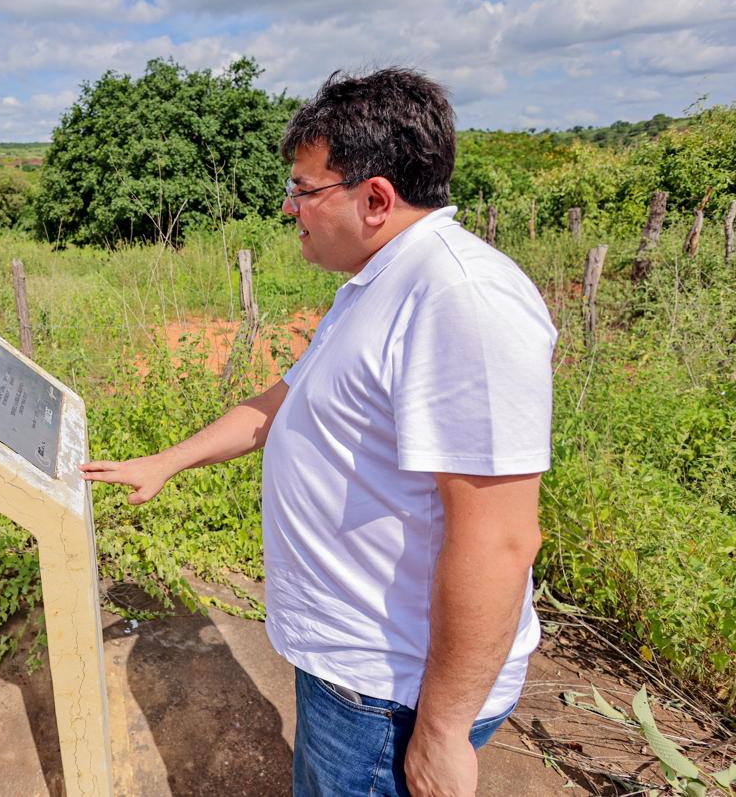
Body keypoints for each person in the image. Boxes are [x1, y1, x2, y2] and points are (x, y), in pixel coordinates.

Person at [80, 68, 556, 797]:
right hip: (348, 669)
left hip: (389, 694)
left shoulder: (460, 299)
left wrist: (442, 728)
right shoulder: (375, 283)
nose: (287, 206)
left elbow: (500, 538)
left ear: (374, 198)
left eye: (304, 189)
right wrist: (166, 461)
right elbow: (286, 399)